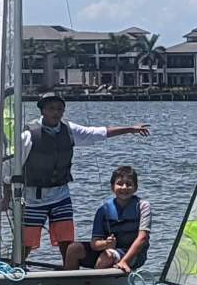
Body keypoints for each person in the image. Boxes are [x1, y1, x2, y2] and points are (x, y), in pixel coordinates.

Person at [17, 91, 149, 262]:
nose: (56, 113)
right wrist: (5, 193)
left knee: (66, 241)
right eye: (51, 109)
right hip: (33, 197)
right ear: (42, 111)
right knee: (27, 241)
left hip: (60, 195)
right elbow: (10, 166)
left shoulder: (69, 130)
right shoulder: (28, 135)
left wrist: (130, 129)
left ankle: (69, 275)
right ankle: (16, 269)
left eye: (59, 109)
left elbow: (97, 133)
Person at [64, 166, 151, 272]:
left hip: (133, 255)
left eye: (129, 184)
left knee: (107, 256)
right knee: (73, 249)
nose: (124, 187)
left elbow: (143, 238)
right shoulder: (103, 210)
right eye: (120, 184)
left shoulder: (143, 207)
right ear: (112, 187)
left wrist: (124, 261)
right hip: (107, 251)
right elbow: (94, 244)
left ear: (135, 188)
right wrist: (106, 243)